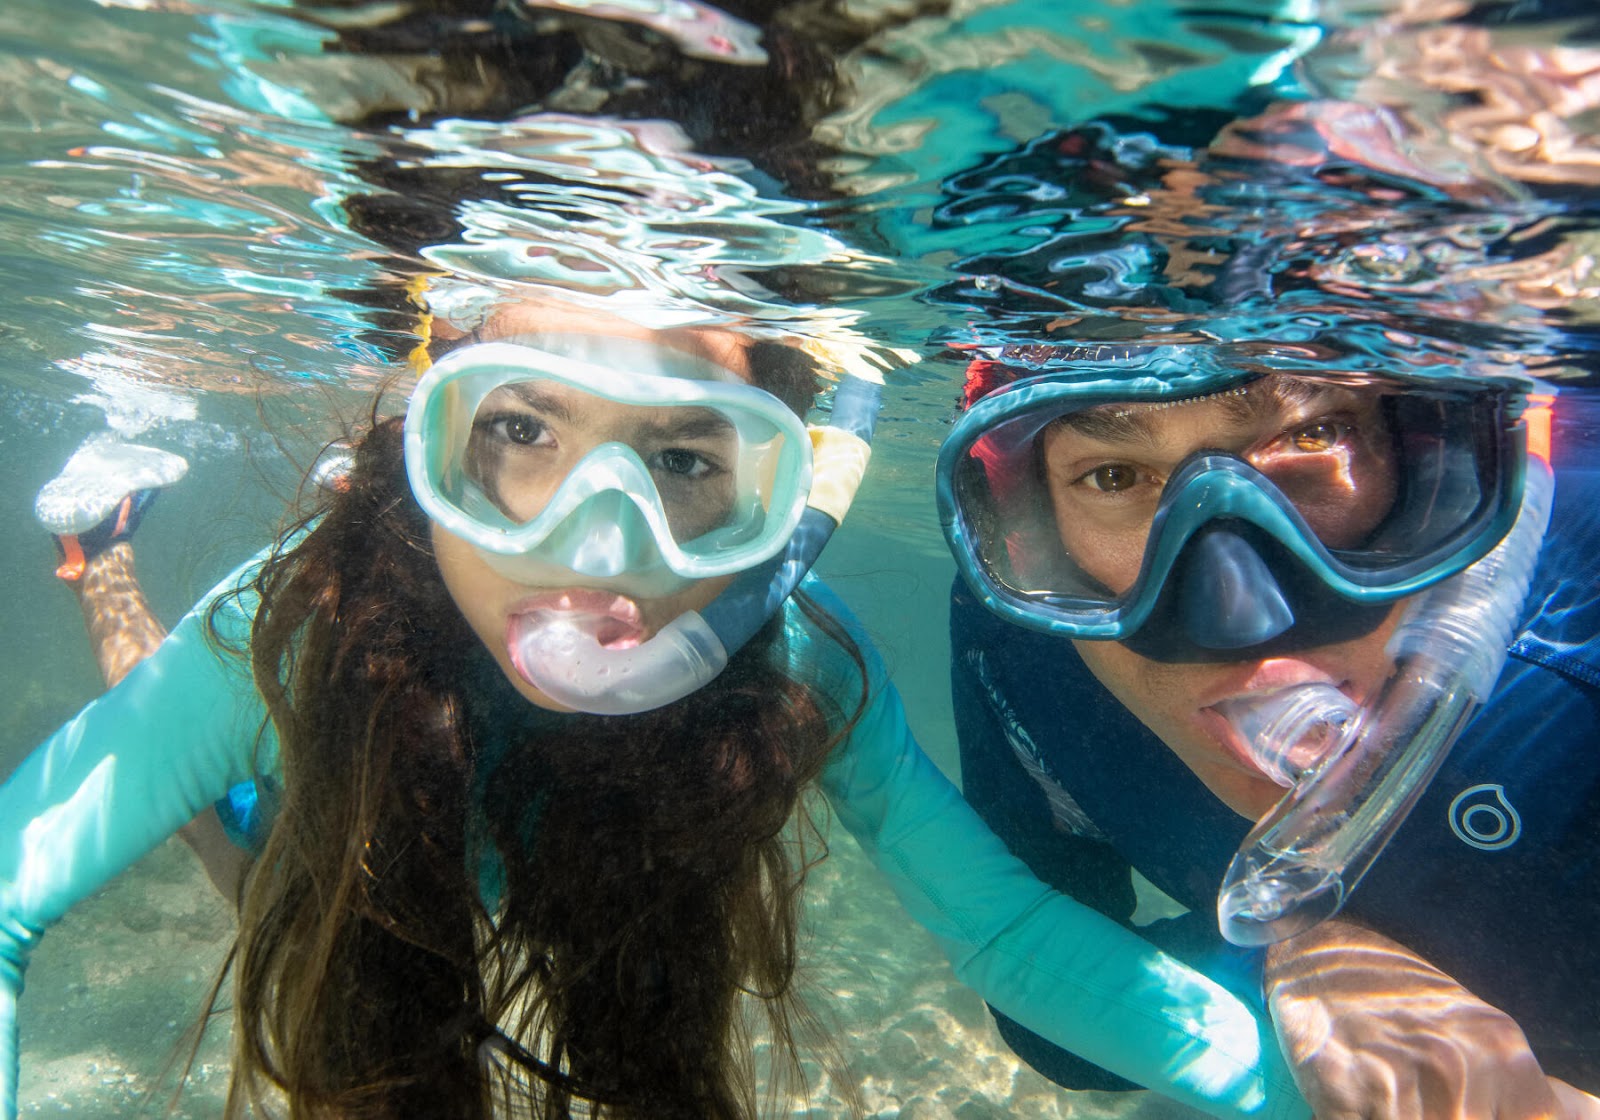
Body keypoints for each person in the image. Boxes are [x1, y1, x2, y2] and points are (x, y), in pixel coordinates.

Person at [3, 289, 1336, 1119]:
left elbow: (1012, 943)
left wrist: (1349, 1103)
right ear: (431, 444)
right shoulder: (307, 620)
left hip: (494, 806)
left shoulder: (796, 668)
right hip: (338, 742)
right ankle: (104, 544)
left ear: (778, 492)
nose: (597, 552)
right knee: (264, 865)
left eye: (690, 458)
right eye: (517, 434)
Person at [938, 335, 1600, 1119]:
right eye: (1113, 476)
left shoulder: (1579, 627)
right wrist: (1297, 949)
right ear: (1035, 534)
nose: (1242, 618)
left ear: (1431, 469)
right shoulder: (1028, 648)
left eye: (1314, 435)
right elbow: (1052, 1021)